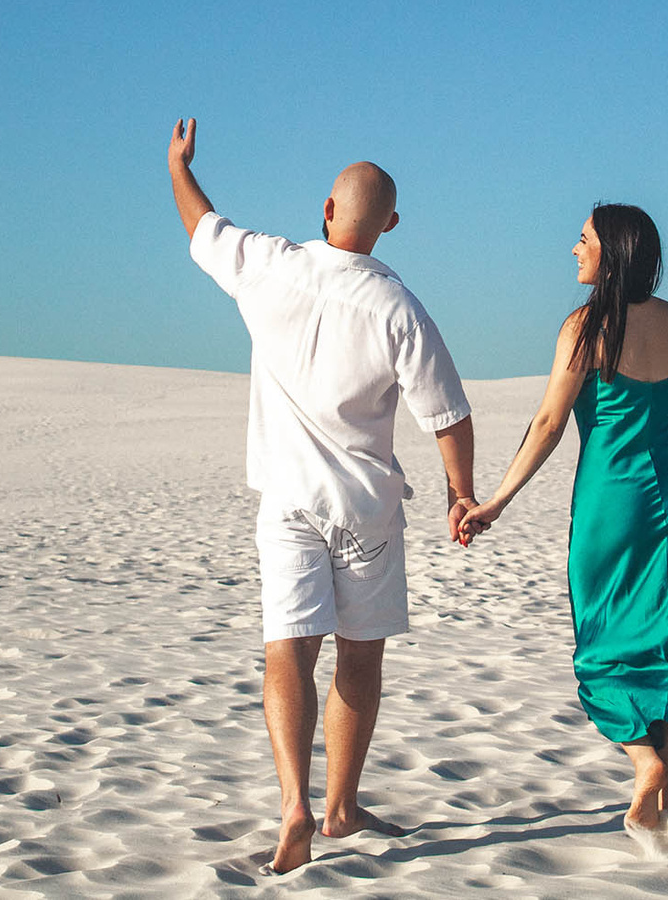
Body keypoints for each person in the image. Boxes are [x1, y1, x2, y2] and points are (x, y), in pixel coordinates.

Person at [167, 119, 479, 874]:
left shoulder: (271, 266)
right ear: (391, 225)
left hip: (288, 503)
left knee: (288, 652)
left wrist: (177, 164)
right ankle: (341, 804)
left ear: (327, 210)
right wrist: (460, 494)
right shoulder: (398, 305)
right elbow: (448, 414)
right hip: (366, 510)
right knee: (359, 658)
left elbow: (202, 222)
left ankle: (295, 805)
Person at [459, 202, 668, 855]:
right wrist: (661, 466)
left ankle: (643, 763)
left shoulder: (586, 325)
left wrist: (494, 499)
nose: (574, 250)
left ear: (614, 252)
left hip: (610, 499)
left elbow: (548, 424)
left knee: (603, 643)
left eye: (583, 240)